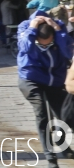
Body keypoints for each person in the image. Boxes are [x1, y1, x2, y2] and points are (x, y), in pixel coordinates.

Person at [18, 11, 73, 167]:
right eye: (41, 44)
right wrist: (32, 30)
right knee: (42, 113)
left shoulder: (58, 29)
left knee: (64, 115)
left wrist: (58, 31)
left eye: (48, 44)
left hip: (55, 78)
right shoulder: (25, 27)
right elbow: (24, 47)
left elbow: (69, 52)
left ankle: (63, 145)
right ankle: (51, 158)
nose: (44, 47)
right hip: (30, 78)